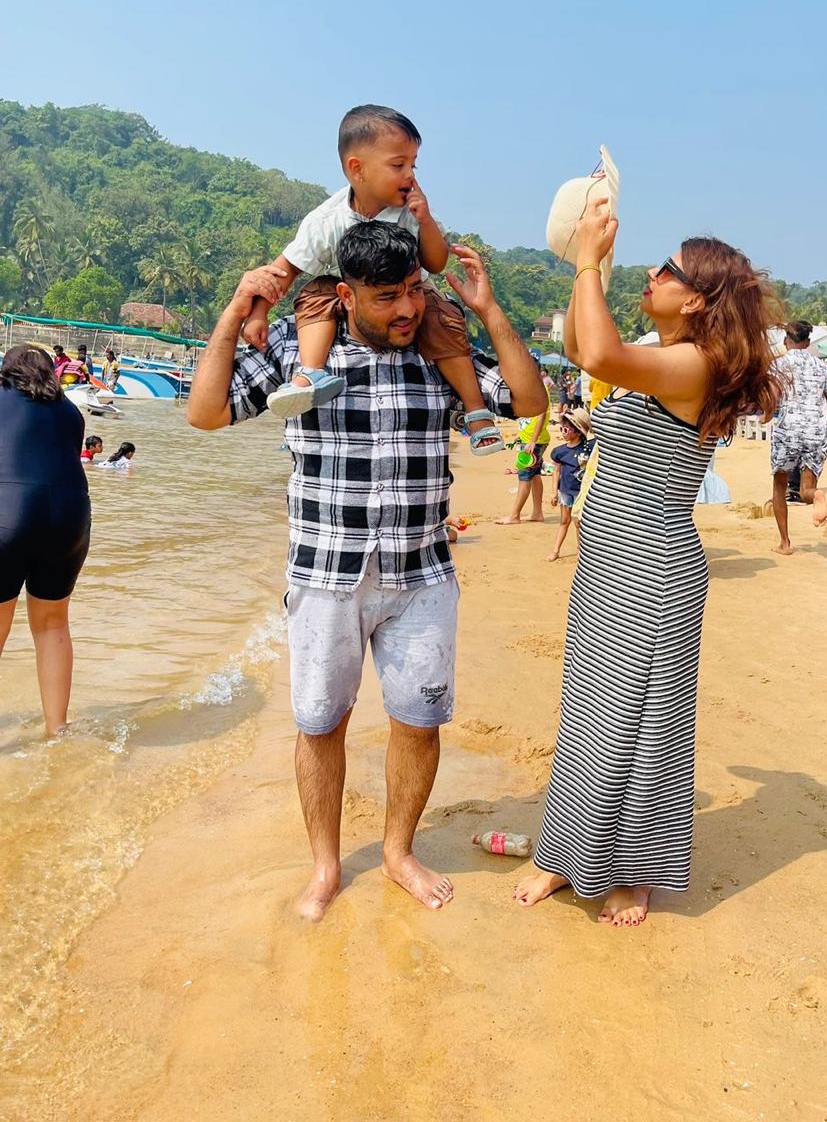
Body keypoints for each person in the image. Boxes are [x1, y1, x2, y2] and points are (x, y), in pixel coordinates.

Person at [186, 222, 546, 922]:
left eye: (413, 290)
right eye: (387, 297)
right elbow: (206, 413)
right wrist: (233, 312)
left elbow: (528, 401)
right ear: (346, 296)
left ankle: (398, 851)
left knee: (418, 720)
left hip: (422, 575)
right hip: (325, 574)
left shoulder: (439, 349)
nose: (407, 308)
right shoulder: (299, 353)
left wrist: (488, 310)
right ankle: (325, 865)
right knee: (321, 724)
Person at [513, 199, 782, 927]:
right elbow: (582, 348)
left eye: (667, 269)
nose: (653, 275)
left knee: (640, 726)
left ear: (695, 299)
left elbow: (600, 358)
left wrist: (589, 258)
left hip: (653, 567)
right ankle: (567, 855)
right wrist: (587, 263)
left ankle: (632, 873)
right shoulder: (663, 355)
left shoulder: (694, 363)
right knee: (590, 714)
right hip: (611, 561)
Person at [239, 104, 502, 456]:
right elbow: (284, 270)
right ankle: (311, 373)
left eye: (413, 165)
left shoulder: (412, 212)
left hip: (411, 291)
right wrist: (258, 313)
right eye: (398, 165)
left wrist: (425, 221)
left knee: (443, 318)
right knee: (313, 295)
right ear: (357, 169)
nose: (409, 176)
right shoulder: (326, 221)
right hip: (345, 295)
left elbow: (436, 263)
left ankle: (475, 410)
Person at [0, 345, 92, 736]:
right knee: (53, 625)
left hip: (9, 512)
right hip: (70, 519)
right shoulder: (71, 412)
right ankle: (57, 728)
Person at [769, 320, 827, 554]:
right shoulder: (822, 366)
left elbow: (773, 397)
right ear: (808, 342)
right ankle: (816, 495)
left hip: (789, 430)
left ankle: (785, 543)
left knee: (780, 486)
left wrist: (767, 414)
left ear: (786, 341)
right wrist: (815, 412)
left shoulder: (779, 365)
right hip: (816, 431)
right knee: (806, 490)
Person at [547, 407, 595, 561]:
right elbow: (556, 472)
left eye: (567, 429)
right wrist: (553, 492)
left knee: (579, 522)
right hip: (566, 491)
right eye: (562, 428)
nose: (563, 432)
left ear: (578, 432)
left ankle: (581, 551)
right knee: (564, 521)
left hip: (582, 492)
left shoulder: (589, 448)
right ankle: (556, 550)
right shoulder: (559, 451)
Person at [497, 408, 550, 524]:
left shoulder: (540, 395)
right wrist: (521, 436)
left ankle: (514, 516)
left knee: (524, 477)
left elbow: (541, 415)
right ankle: (537, 513)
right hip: (532, 440)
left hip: (533, 442)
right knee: (535, 475)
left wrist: (532, 441)